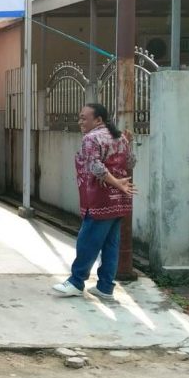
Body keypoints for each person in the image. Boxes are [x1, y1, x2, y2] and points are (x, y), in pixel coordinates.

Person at [52, 103, 136, 301]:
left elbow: (94, 166)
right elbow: (131, 162)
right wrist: (120, 183)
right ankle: (105, 287)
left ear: (98, 120)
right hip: (120, 200)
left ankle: (76, 282)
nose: (80, 121)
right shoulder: (121, 137)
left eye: (84, 118)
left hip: (100, 198)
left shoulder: (91, 138)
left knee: (88, 240)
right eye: (80, 117)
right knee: (110, 244)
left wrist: (115, 182)